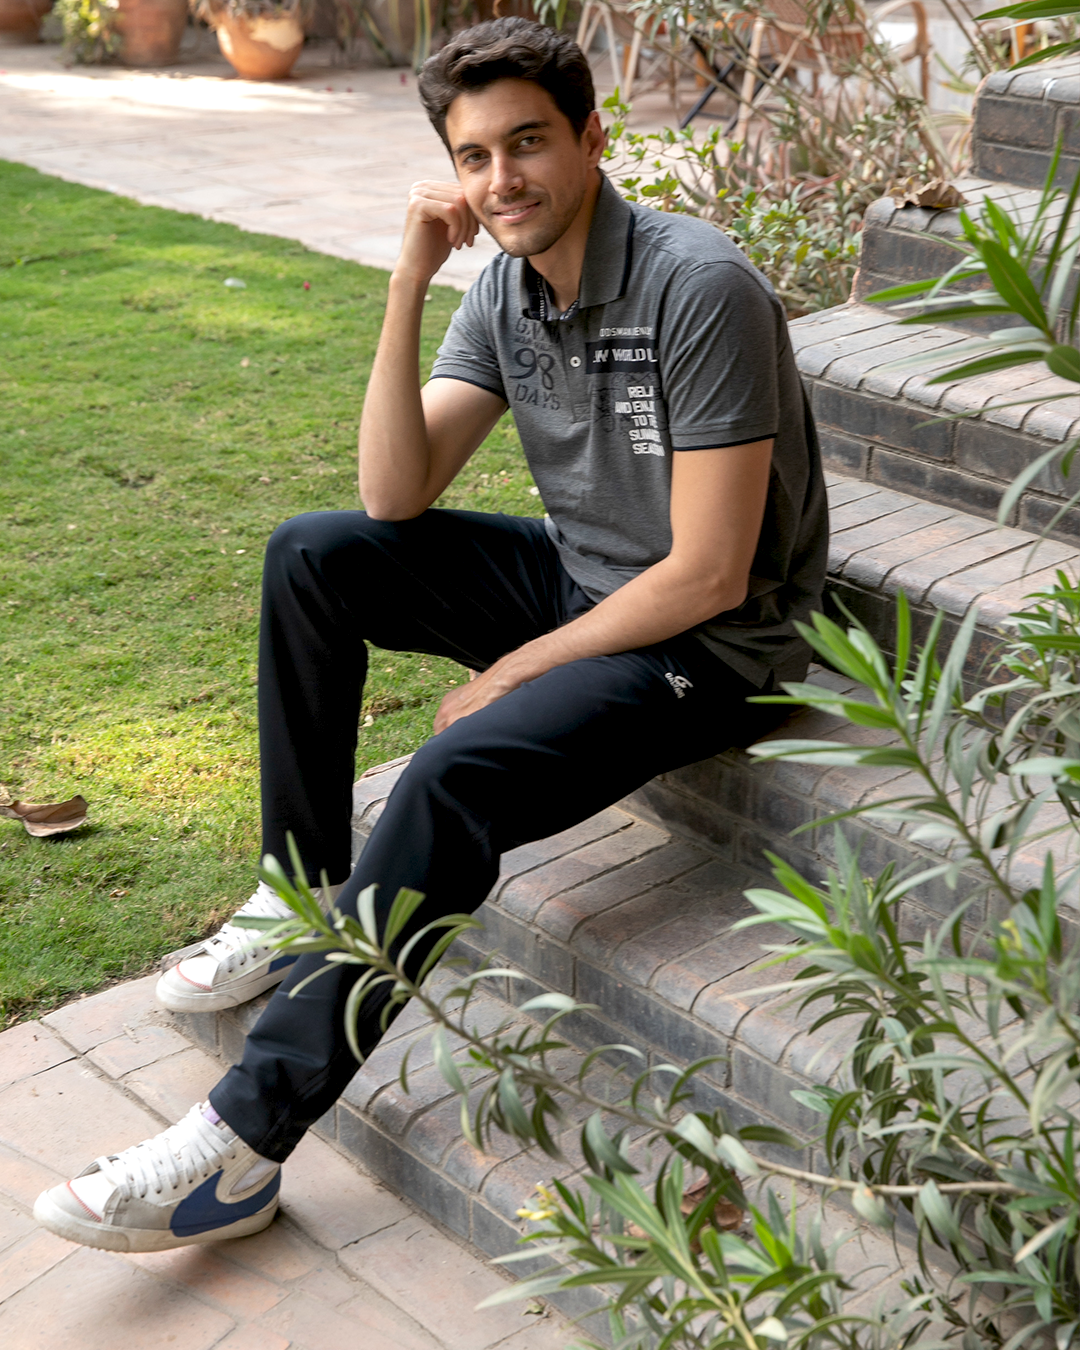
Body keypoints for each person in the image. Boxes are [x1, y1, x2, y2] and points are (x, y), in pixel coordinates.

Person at [34, 16, 828, 1254]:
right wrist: (409, 281)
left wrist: (517, 666)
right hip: (588, 583)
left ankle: (241, 1146)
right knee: (316, 555)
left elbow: (711, 570)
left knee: (455, 773)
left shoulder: (696, 284)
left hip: (715, 647)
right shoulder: (507, 283)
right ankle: (300, 893)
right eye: (473, 156)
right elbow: (393, 495)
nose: (501, 179)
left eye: (528, 143)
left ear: (593, 140)